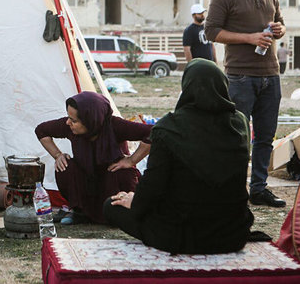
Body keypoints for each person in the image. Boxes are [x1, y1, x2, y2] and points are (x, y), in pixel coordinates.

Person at [104, 59, 254, 254]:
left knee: (111, 206)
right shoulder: (239, 123)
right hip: (232, 235)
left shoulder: (169, 128)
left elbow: (153, 186)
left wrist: (135, 201)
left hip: (181, 236)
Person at [204, 0, 286, 208]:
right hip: (240, 77)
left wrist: (279, 30)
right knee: (237, 137)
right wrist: (250, 38)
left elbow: (281, 23)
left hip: (270, 75)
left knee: (265, 137)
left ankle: (259, 189)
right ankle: (233, 189)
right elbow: (211, 31)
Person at [35, 91, 152, 225]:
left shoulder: (115, 126)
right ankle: (80, 212)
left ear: (90, 120)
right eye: (68, 117)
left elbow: (153, 132)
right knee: (65, 166)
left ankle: (119, 212)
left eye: (74, 120)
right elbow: (41, 130)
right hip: (87, 182)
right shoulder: (68, 127)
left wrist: (131, 160)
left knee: (123, 172)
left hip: (111, 183)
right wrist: (57, 155)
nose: (68, 122)